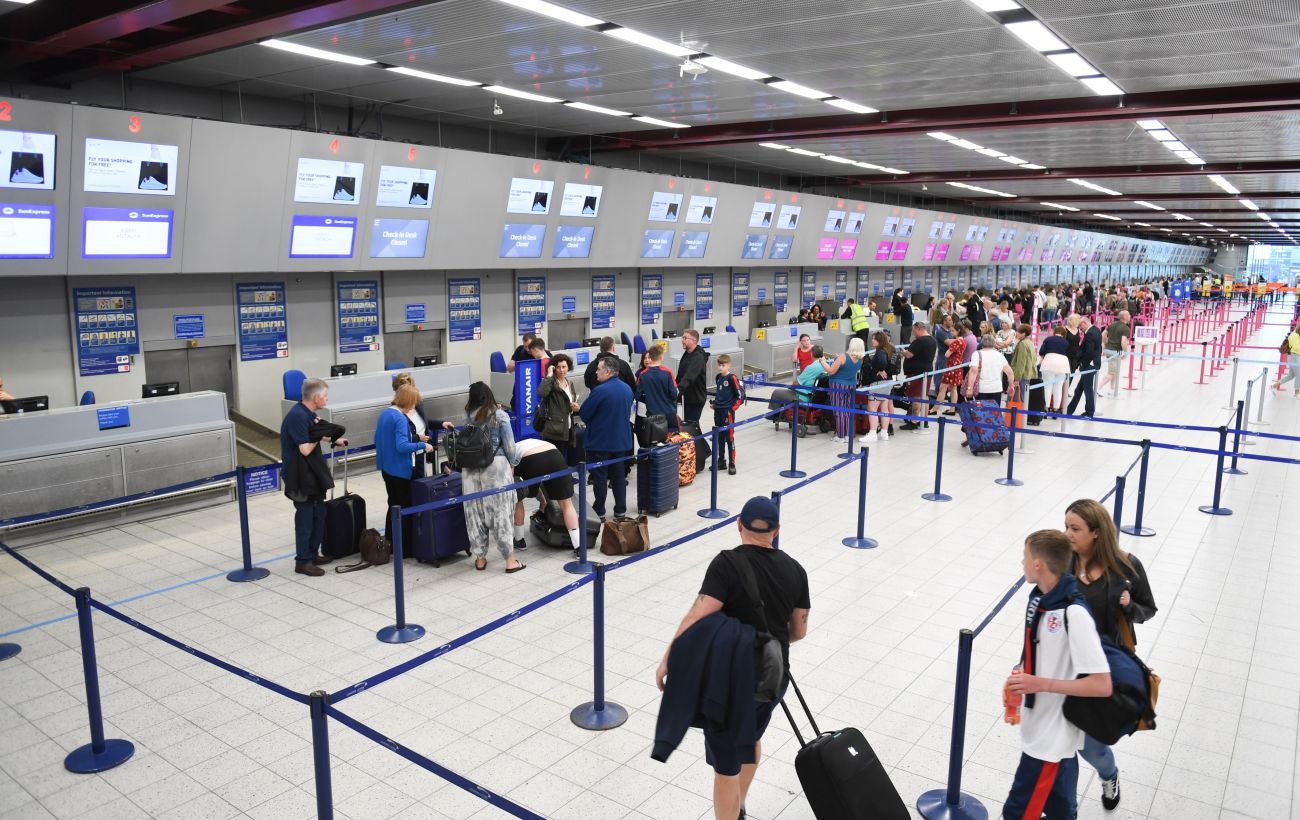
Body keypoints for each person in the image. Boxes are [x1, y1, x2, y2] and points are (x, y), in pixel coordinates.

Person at [654, 496, 810, 820]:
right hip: (773, 677)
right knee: (751, 738)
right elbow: (798, 631)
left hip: (730, 683)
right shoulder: (796, 570)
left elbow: (698, 614)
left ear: (739, 524)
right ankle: (738, 807)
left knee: (725, 766)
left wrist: (669, 658)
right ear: (777, 530)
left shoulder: (726, 564)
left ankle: (731, 812)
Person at [1003, 529, 1113, 820]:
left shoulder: (1074, 613)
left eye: (1025, 557)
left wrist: (1039, 683)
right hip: (1041, 726)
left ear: (1038, 564)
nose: (1022, 562)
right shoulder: (1040, 599)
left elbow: (1102, 685)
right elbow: (1042, 651)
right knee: (1061, 811)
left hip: (1051, 737)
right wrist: (1021, 673)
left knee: (1017, 812)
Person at [1063, 499, 1158, 812]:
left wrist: (1129, 607)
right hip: (1064, 665)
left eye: (1075, 528)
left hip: (1104, 671)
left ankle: (1110, 775)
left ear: (1096, 532)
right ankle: (1065, 808)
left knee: (1093, 749)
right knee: (1061, 748)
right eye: (1066, 527)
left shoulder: (1126, 566)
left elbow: (1148, 609)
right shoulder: (1063, 561)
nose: (1068, 534)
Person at [279, 378, 348, 577]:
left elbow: (316, 432)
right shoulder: (297, 416)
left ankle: (312, 554)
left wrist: (333, 438)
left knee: (319, 515)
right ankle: (303, 561)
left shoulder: (309, 413)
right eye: (325, 396)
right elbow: (305, 449)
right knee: (306, 519)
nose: (326, 399)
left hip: (312, 472)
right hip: (300, 475)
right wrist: (319, 436)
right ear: (316, 397)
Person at [460, 382, 525, 573]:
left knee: (474, 513)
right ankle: (510, 561)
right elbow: (510, 447)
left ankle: (480, 559)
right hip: (496, 468)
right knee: (501, 513)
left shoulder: (467, 417)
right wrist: (513, 463)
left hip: (470, 470)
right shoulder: (499, 415)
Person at [376, 384, 446, 551]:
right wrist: (422, 445)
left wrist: (414, 437)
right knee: (406, 508)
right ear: (407, 401)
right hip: (401, 470)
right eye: (413, 402)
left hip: (387, 468)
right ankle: (405, 548)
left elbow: (380, 439)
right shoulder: (400, 418)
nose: (414, 406)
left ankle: (391, 542)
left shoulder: (385, 413)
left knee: (393, 505)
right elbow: (401, 446)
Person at [579, 357, 635, 522]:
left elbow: (584, 414)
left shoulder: (599, 391)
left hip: (600, 443)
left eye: (599, 369)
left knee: (600, 478)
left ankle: (600, 511)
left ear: (608, 371)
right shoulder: (627, 389)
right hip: (621, 442)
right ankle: (620, 511)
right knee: (619, 477)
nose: (596, 372)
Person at [512, 437, 581, 554]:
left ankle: (519, 540)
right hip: (555, 456)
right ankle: (578, 547)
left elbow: (525, 484)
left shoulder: (511, 451)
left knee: (517, 499)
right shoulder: (532, 442)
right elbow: (538, 481)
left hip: (529, 458)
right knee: (566, 504)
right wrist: (543, 501)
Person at [538, 353, 580, 460]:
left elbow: (572, 400)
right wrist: (549, 375)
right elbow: (542, 392)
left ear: (568, 367)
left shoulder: (570, 383)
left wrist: (575, 406)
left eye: (564, 367)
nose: (561, 370)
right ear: (554, 368)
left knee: (563, 459)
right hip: (553, 430)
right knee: (554, 461)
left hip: (567, 427)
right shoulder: (551, 382)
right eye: (558, 367)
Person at [824, 336, 865, 444]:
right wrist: (838, 358)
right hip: (851, 385)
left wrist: (822, 362)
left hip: (838, 386)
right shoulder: (860, 359)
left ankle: (840, 436)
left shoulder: (843, 357)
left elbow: (831, 371)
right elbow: (848, 365)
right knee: (848, 410)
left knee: (839, 411)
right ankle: (847, 435)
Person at [391, 372, 433, 477]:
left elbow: (423, 422)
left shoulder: (418, 404)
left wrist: (442, 423)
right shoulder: (395, 412)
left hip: (420, 454)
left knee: (421, 483)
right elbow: (397, 439)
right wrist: (418, 438)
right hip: (405, 458)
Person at [859, 331, 895, 443]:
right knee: (884, 408)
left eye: (874, 339)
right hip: (887, 383)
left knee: (872, 409)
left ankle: (873, 433)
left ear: (880, 340)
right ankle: (884, 433)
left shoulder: (880, 352)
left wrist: (880, 369)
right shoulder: (889, 349)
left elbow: (882, 362)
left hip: (878, 383)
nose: (872, 340)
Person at [899, 321, 936, 428]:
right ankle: (924, 420)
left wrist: (903, 352)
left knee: (916, 397)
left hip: (917, 374)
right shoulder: (932, 340)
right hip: (927, 372)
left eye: (914, 330)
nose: (913, 333)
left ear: (919, 328)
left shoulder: (920, 341)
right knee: (925, 396)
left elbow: (909, 355)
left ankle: (914, 421)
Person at [712, 354, 743, 475]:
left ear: (729, 365)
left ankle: (732, 463)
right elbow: (719, 394)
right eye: (719, 365)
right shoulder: (718, 377)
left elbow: (739, 396)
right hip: (718, 412)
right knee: (719, 437)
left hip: (727, 412)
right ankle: (721, 461)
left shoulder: (732, 378)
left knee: (729, 438)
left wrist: (732, 410)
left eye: (723, 365)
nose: (721, 367)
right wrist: (715, 404)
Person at [637, 344, 680, 432]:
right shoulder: (668, 372)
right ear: (661, 357)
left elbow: (638, 395)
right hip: (669, 413)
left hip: (652, 414)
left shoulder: (642, 375)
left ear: (650, 357)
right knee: (672, 438)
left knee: (654, 438)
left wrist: (649, 400)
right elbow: (674, 394)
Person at [1067, 317, 1103, 418]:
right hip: (1093, 364)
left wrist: (1083, 364)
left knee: (1088, 390)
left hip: (1089, 366)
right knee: (1079, 390)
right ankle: (1069, 410)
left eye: (1080, 326)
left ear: (1084, 323)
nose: (1080, 329)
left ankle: (1089, 412)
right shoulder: (1096, 330)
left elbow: (1089, 352)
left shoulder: (1090, 333)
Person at [966, 335, 1015, 405]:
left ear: (982, 343)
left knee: (981, 410)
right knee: (994, 411)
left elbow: (973, 372)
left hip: (982, 389)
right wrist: (1010, 386)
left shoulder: (976, 354)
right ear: (994, 343)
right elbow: (1010, 373)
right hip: (997, 388)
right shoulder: (999, 355)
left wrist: (970, 388)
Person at [676, 329, 710, 425]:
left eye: (685, 338)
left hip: (696, 399)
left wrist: (677, 390)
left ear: (694, 340)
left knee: (692, 426)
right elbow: (681, 374)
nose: (682, 340)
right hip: (688, 397)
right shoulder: (687, 353)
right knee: (689, 425)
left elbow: (689, 376)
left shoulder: (698, 357)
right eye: (682, 338)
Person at [1098, 310, 1131, 397]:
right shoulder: (1125, 328)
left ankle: (1112, 389)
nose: (1130, 316)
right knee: (1112, 372)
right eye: (1128, 314)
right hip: (1115, 352)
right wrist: (1125, 352)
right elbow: (1123, 341)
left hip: (1109, 350)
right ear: (1124, 317)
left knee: (1114, 371)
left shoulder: (1112, 324)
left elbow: (1103, 334)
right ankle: (1098, 388)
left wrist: (1105, 344)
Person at [1039, 327, 1072, 413]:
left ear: (1054, 332)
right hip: (1062, 365)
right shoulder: (1066, 342)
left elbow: (1041, 352)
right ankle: (1056, 409)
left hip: (1048, 364)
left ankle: (1046, 407)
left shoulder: (1048, 339)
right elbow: (1069, 354)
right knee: (1058, 388)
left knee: (1047, 387)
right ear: (1064, 334)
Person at [937, 325, 966, 413]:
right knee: (954, 388)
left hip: (951, 366)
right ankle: (952, 409)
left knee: (942, 388)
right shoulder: (963, 341)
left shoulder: (956, 342)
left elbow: (947, 354)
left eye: (953, 330)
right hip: (958, 366)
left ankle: (935, 408)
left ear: (958, 331)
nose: (951, 332)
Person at [1010, 324, 1039, 405]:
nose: (1016, 333)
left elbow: (1020, 363)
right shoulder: (1030, 342)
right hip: (1029, 374)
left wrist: (1017, 378)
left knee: (1019, 399)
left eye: (1018, 332)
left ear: (1024, 333)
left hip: (1022, 375)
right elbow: (1034, 359)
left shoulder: (1022, 344)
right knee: (1025, 398)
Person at [1272, 320, 1300, 396]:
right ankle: (1297, 393)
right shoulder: (1296, 336)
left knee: (1291, 375)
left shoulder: (1294, 334)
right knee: (1299, 375)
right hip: (1295, 357)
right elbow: (1296, 348)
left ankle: (1274, 386)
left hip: (1292, 356)